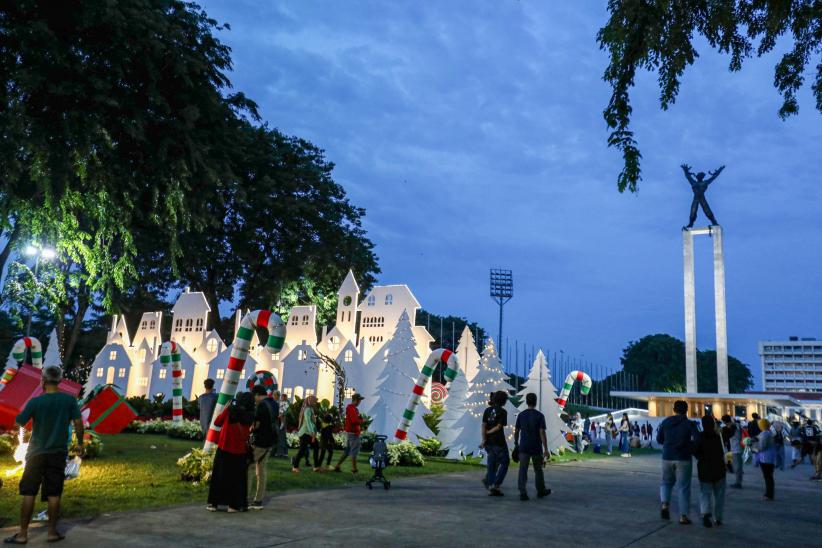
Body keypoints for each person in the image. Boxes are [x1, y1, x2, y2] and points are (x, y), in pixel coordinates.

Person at [6, 366, 83, 544]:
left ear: (43, 381)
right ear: (60, 380)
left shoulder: (36, 402)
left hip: (35, 454)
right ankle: (51, 532)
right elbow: (78, 423)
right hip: (57, 453)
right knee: (54, 493)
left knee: (29, 492)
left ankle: (23, 534)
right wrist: (79, 443)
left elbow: (19, 422)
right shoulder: (68, 400)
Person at [207, 391, 254, 512]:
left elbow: (217, 422)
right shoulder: (250, 415)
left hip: (224, 447)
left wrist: (225, 408)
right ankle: (233, 505)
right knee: (236, 479)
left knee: (219, 476)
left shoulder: (230, 410)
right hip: (239, 451)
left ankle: (214, 504)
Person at [657, 400, 698, 525]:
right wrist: (688, 447)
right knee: (683, 487)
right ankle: (683, 516)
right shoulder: (689, 424)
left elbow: (659, 439)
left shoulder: (666, 421)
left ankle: (664, 503)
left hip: (667, 456)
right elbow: (697, 439)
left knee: (666, 482)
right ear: (686, 410)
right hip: (683, 458)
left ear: (674, 410)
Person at [514, 393, 550, 501]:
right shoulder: (540, 416)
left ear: (526, 401)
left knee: (522, 470)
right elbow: (542, 433)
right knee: (538, 470)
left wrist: (516, 443)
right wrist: (546, 449)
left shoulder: (521, 415)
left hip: (524, 446)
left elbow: (516, 431)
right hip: (536, 447)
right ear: (535, 402)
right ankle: (540, 491)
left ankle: (523, 492)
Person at [693, 415, 726, 528]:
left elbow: (695, 451)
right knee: (719, 495)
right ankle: (718, 518)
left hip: (705, 469)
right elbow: (723, 451)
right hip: (719, 469)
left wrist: (701, 458)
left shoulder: (699, 437)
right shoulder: (718, 436)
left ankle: (706, 514)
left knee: (705, 494)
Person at [247, 386, 276, 510]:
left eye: (254, 397)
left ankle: (245, 497)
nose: (254, 400)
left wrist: (250, 429)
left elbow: (257, 424)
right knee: (262, 469)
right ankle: (258, 500)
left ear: (258, 394)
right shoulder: (274, 403)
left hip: (260, 441)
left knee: (249, 467)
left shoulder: (261, 406)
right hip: (271, 440)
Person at [480, 391, 509, 496]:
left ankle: (490, 482)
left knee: (492, 465)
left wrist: (484, 439)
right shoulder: (503, 412)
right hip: (499, 442)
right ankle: (496, 485)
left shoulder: (487, 410)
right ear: (503, 401)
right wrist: (489, 432)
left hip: (489, 443)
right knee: (505, 463)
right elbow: (499, 427)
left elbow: (483, 425)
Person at [334, 393, 365, 474]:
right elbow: (354, 421)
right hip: (353, 433)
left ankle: (337, 466)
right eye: (359, 400)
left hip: (351, 432)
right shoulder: (351, 408)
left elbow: (355, 419)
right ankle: (354, 469)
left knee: (347, 451)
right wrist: (362, 421)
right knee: (354, 451)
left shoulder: (353, 408)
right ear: (355, 400)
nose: (360, 402)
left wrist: (360, 419)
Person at [291, 395, 320, 473]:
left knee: (316, 447)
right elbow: (308, 422)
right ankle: (295, 466)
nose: (315, 402)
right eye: (314, 401)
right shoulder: (307, 410)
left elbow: (313, 421)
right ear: (310, 401)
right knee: (302, 451)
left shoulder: (311, 409)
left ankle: (316, 466)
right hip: (305, 433)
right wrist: (313, 434)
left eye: (315, 401)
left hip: (309, 433)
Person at [754, 418, 776, 501]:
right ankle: (769, 493)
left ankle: (769, 495)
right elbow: (758, 437)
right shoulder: (768, 433)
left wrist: (754, 449)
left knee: (768, 477)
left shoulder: (765, 434)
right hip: (769, 458)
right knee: (769, 476)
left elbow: (761, 447)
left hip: (766, 458)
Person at [721, 415, 743, 488]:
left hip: (736, 449)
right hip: (736, 448)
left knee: (737, 467)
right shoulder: (736, 425)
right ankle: (738, 481)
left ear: (724, 421)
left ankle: (738, 483)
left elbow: (729, 435)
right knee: (738, 466)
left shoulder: (733, 427)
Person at [274, 392, 290, 458]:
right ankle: (282, 452)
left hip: (281, 422)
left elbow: (281, 414)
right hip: (280, 422)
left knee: (281, 437)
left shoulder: (283, 403)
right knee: (281, 437)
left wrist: (281, 421)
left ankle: (281, 452)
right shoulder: (283, 403)